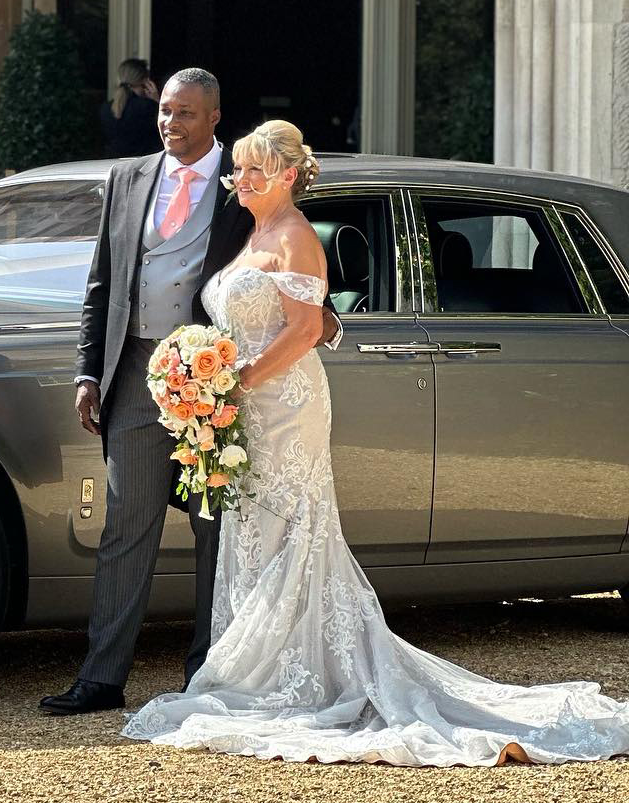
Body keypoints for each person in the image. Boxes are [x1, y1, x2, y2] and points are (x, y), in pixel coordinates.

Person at [121, 119, 629, 766]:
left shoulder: (299, 237)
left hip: (282, 403)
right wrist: (208, 374)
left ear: (284, 176)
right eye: (237, 170)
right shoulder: (255, 236)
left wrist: (234, 380)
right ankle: (259, 672)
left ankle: (293, 678)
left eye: (252, 170)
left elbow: (305, 330)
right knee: (253, 531)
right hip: (249, 404)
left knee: (291, 528)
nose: (238, 181)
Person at [41, 68, 339, 717]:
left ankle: (210, 672)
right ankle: (100, 677)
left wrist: (319, 326)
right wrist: (89, 373)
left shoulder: (244, 192)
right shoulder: (127, 179)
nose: (168, 123)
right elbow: (101, 285)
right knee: (126, 523)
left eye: (182, 114)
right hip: (134, 375)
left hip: (217, 380)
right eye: (164, 112)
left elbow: (293, 276)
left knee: (216, 529)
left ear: (212, 117)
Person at [100, 59, 160, 158]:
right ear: (146, 82)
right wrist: (157, 101)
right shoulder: (148, 107)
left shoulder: (106, 108)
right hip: (142, 163)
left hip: (113, 163)